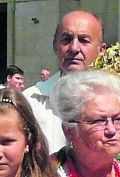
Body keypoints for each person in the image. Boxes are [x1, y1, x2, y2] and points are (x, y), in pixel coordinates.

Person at [24, 10, 104, 153]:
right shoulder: (30, 102)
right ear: (55, 46)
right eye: (66, 39)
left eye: (84, 40)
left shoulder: (117, 104)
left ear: (101, 50)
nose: (74, 48)